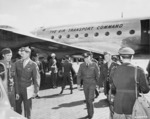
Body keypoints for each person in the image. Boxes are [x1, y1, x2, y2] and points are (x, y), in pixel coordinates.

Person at [110, 47, 149, 119]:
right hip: (133, 107)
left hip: (118, 107)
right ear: (132, 57)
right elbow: (145, 90)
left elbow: (113, 89)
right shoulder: (138, 70)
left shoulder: (114, 70)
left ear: (121, 57)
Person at [14, 46, 40, 119]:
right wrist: (16, 91)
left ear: (28, 53)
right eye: (21, 53)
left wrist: (36, 91)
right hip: (18, 89)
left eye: (23, 53)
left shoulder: (33, 64)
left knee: (27, 109)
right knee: (18, 109)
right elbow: (15, 78)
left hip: (28, 89)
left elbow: (36, 79)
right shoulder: (17, 63)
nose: (21, 54)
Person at [77, 52, 100, 119]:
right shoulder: (81, 65)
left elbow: (98, 75)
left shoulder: (94, 64)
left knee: (90, 99)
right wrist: (78, 84)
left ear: (90, 57)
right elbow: (79, 75)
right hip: (85, 84)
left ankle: (91, 115)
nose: (86, 59)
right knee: (87, 100)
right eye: (84, 58)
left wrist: (98, 85)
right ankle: (88, 113)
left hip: (92, 84)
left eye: (87, 57)